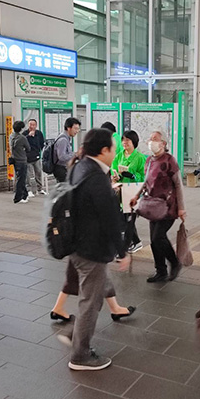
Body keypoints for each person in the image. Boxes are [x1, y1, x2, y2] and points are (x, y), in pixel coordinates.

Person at [52, 128, 131, 371]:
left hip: (76, 244)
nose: (115, 151)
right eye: (113, 148)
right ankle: (80, 355)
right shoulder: (96, 177)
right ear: (104, 150)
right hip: (91, 248)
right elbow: (109, 218)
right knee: (91, 301)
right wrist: (122, 251)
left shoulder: (79, 166)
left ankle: (73, 333)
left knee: (94, 294)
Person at [131, 131, 186, 283]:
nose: (151, 141)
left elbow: (178, 185)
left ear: (163, 144)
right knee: (154, 240)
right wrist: (136, 195)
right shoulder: (148, 160)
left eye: (155, 139)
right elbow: (146, 182)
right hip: (153, 206)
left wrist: (181, 208)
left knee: (158, 237)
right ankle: (160, 271)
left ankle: (174, 262)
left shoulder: (170, 160)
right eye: (150, 138)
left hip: (169, 207)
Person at [112, 130, 146, 252]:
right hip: (120, 190)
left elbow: (143, 176)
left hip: (133, 192)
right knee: (125, 217)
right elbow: (113, 169)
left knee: (128, 217)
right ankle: (134, 241)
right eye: (123, 140)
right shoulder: (119, 155)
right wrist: (115, 176)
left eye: (128, 140)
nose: (124, 142)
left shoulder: (140, 157)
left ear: (134, 142)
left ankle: (132, 243)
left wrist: (132, 175)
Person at [24, 118, 46, 195]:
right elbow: (22, 143)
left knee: (39, 173)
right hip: (28, 157)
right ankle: (29, 190)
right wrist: (28, 136)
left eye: (33, 125)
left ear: (36, 126)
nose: (32, 126)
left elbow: (42, 143)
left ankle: (40, 189)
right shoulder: (25, 134)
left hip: (37, 156)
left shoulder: (39, 133)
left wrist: (40, 151)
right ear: (28, 125)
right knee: (29, 175)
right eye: (30, 124)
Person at [10, 121, 30, 204]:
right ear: (21, 129)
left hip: (14, 160)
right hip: (22, 160)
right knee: (21, 179)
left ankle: (25, 195)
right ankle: (17, 198)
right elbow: (28, 148)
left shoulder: (11, 136)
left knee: (20, 177)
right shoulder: (22, 138)